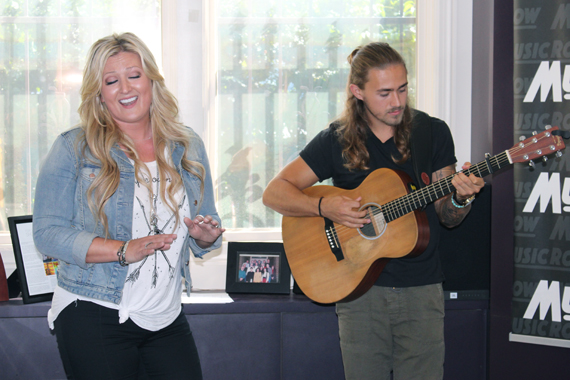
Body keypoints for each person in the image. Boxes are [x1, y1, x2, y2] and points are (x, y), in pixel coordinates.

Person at [262, 42, 484, 380]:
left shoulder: (432, 132)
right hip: (359, 293)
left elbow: (446, 215)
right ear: (357, 91)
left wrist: (460, 199)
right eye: (384, 93)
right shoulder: (336, 139)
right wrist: (325, 205)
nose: (396, 102)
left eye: (402, 89)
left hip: (422, 291)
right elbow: (274, 193)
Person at [33, 32, 224, 380]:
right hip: (93, 309)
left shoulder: (188, 144)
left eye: (134, 76)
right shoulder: (73, 147)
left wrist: (206, 235)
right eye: (111, 81)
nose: (125, 89)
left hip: (165, 315)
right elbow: (47, 233)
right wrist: (124, 250)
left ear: (151, 80)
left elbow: (204, 226)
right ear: (99, 94)